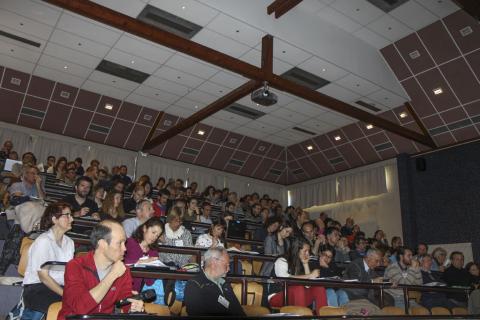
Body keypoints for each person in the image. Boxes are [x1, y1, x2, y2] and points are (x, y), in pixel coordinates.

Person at [58, 220, 144, 319]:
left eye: (125, 243)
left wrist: (134, 308)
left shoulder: (123, 270)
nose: (124, 248)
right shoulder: (75, 266)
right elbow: (80, 308)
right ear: (102, 244)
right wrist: (112, 275)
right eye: (119, 243)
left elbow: (125, 302)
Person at [21, 202, 74, 319]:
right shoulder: (43, 241)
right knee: (69, 303)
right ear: (55, 219)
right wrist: (65, 294)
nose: (72, 218)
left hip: (59, 286)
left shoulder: (69, 242)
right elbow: (43, 277)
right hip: (37, 287)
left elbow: (69, 271)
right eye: (67, 215)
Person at [268, 239, 327, 311]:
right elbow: (283, 279)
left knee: (319, 288)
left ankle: (322, 316)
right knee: (298, 287)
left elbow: (308, 285)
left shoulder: (300, 262)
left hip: (297, 295)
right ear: (297, 250)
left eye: (308, 251)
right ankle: (302, 315)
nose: (308, 254)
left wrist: (305, 264)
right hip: (277, 296)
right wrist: (310, 275)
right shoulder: (282, 260)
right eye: (305, 251)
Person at [184, 247, 244, 316]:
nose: (229, 269)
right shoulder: (195, 285)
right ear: (213, 262)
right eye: (226, 265)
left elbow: (239, 311)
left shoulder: (225, 283)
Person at [124, 217, 164, 292]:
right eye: (153, 232)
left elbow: (150, 282)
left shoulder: (154, 251)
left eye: (157, 235)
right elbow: (120, 263)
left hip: (144, 289)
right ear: (144, 228)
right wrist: (141, 262)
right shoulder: (129, 243)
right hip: (125, 287)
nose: (154, 237)